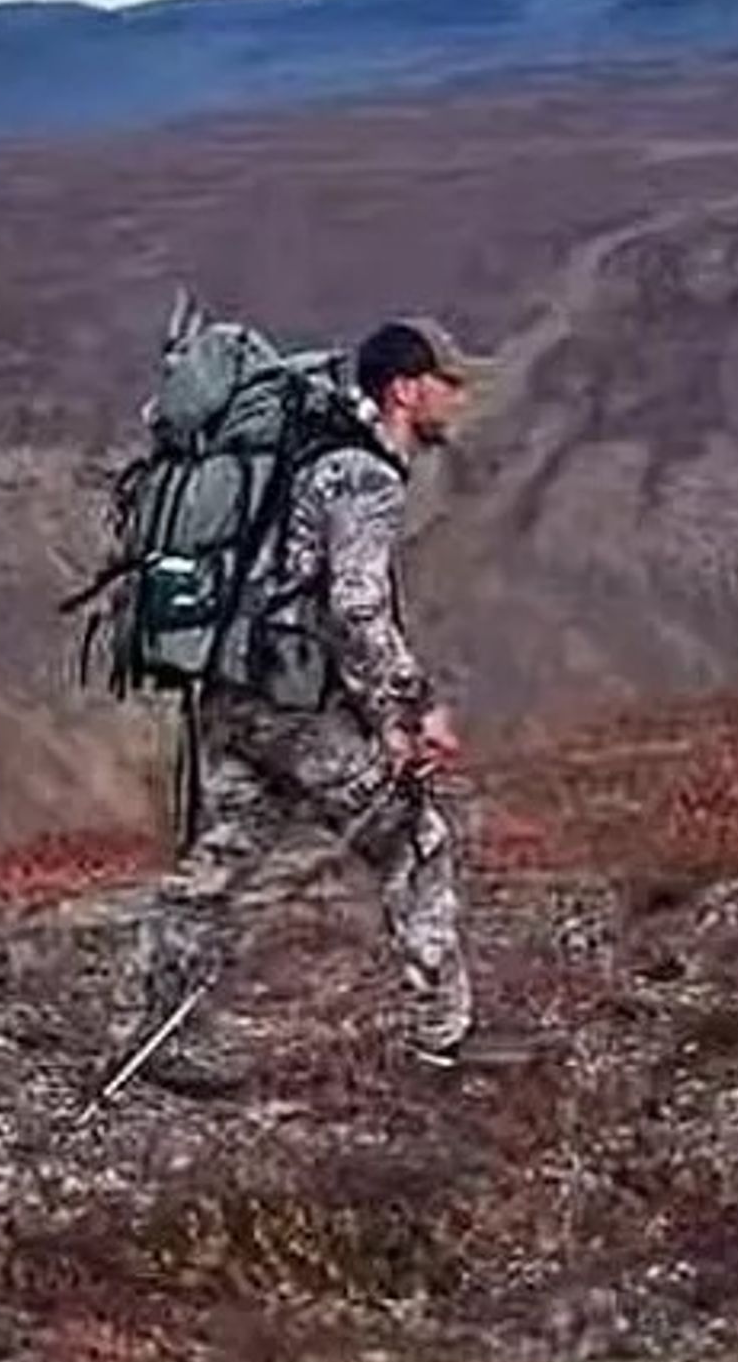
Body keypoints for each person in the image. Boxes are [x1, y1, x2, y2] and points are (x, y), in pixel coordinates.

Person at [117, 315, 521, 1095]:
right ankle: (447, 1037)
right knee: (415, 841)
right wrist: (411, 712)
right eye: (449, 382)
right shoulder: (364, 476)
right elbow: (358, 609)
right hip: (292, 701)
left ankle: (161, 1033)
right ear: (406, 390)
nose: (459, 398)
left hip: (229, 686)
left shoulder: (308, 450)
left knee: (221, 858)